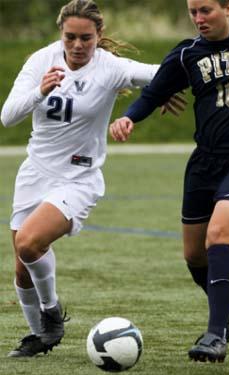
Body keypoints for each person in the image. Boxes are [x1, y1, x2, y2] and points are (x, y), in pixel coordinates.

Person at [109, 0, 229, 363]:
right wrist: (129, 117)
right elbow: (154, 92)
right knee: (194, 254)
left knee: (219, 236)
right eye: (193, 11)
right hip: (205, 161)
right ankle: (223, 303)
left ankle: (216, 334)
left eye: (206, 10)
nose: (198, 19)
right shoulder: (187, 54)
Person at [0, 0, 185, 358]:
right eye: (70, 37)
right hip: (35, 172)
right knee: (22, 271)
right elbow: (7, 117)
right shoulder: (41, 60)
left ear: (99, 35)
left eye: (86, 38)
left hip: (78, 177)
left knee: (28, 243)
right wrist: (41, 90)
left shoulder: (110, 68)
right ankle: (40, 336)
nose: (78, 45)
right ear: (61, 34)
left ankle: (52, 313)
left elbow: (161, 71)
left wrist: (162, 92)